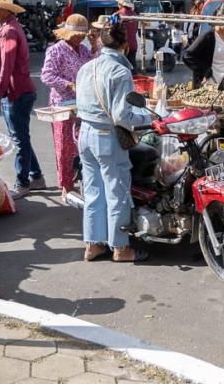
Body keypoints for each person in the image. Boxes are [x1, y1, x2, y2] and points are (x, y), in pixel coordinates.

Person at [75, 15, 151, 262]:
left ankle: (93, 245)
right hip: (106, 137)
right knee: (116, 192)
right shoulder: (119, 71)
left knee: (93, 191)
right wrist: (147, 120)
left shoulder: (86, 68)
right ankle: (120, 248)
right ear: (125, 46)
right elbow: (122, 115)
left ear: (99, 43)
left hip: (85, 134)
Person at [0, 0, 45, 200]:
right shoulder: (7, 27)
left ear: (2, 9)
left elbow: (6, 68)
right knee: (21, 138)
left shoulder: (8, 31)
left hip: (16, 92)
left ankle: (22, 182)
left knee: (19, 140)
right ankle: (36, 177)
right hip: (19, 90)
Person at [40, 14, 94, 201]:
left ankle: (83, 181)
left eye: (82, 35)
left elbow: (93, 66)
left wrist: (95, 46)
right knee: (64, 147)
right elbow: (47, 76)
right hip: (62, 105)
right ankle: (66, 185)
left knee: (82, 145)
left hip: (82, 105)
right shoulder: (55, 50)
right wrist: (69, 84)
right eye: (77, 34)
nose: (80, 37)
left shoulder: (84, 50)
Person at [183, 1, 224, 89]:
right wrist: (206, 71)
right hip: (213, 88)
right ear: (219, 17)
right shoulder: (208, 37)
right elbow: (187, 56)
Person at [113, 0, 139, 73]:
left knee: (120, 71)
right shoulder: (135, 15)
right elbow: (135, 30)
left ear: (121, 4)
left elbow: (111, 31)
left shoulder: (117, 15)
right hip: (133, 46)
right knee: (132, 70)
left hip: (121, 47)